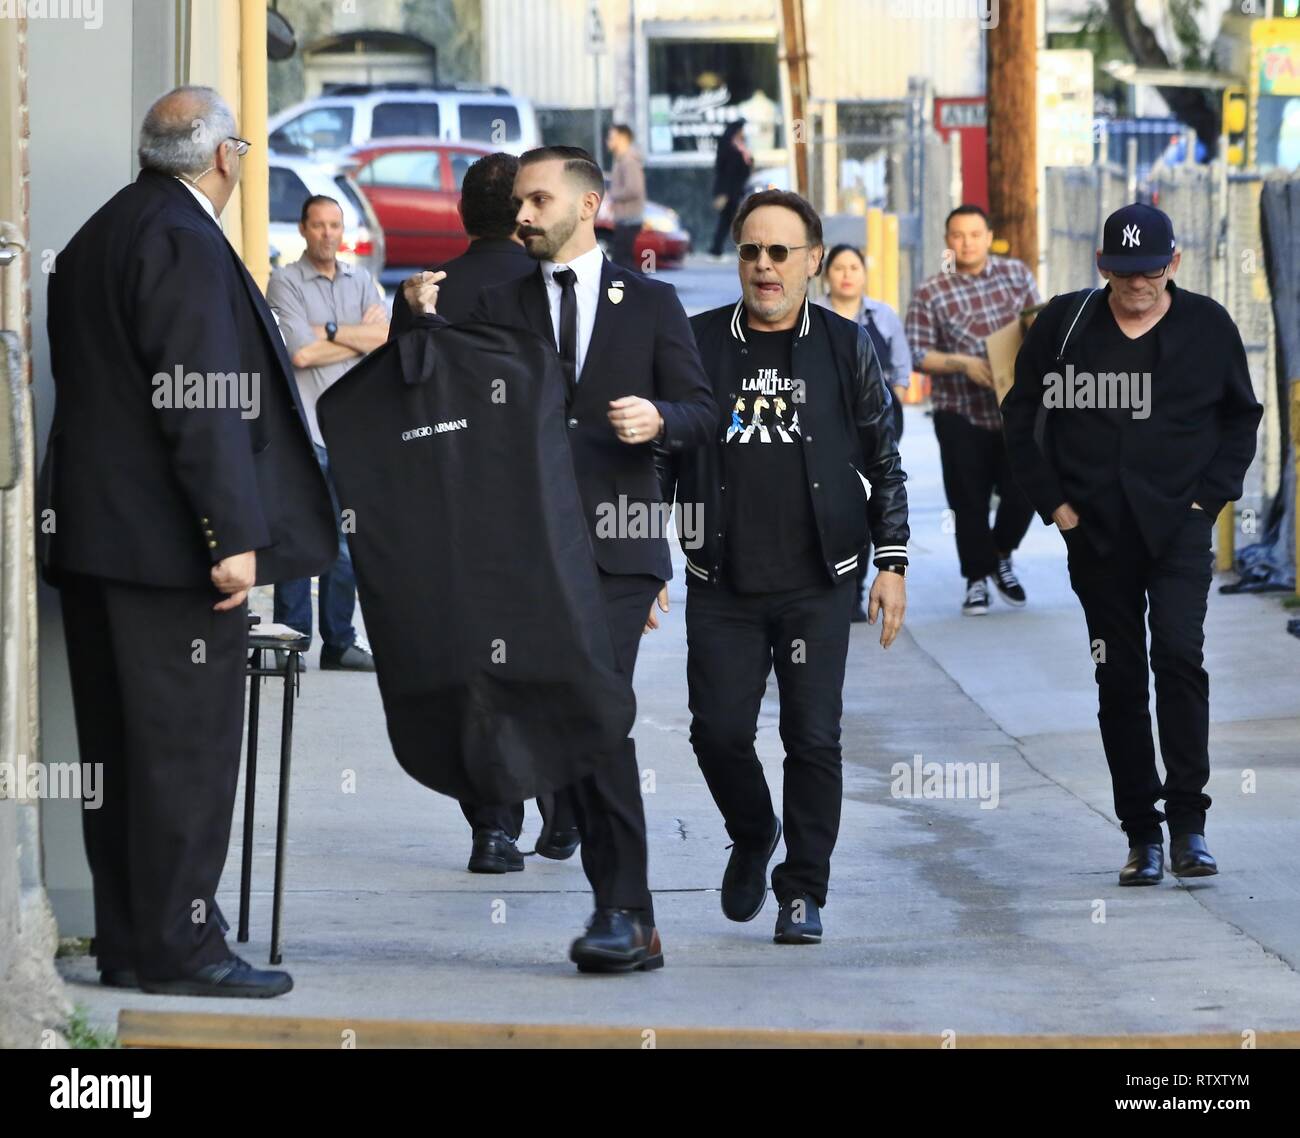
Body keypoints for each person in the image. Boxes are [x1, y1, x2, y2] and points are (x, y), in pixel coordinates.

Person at [38, 86, 336, 998]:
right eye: (240, 148)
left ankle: (131, 942)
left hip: (99, 543)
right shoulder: (181, 239)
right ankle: (184, 948)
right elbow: (199, 399)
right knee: (184, 758)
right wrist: (230, 535)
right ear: (221, 158)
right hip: (169, 554)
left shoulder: (99, 233)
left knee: (121, 756)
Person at [406, 145, 717, 973]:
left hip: (617, 550)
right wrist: (411, 321)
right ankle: (618, 899)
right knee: (561, 715)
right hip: (523, 551)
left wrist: (661, 419)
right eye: (518, 202)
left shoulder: (649, 302)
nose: (523, 215)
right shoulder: (495, 301)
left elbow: (703, 410)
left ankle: (625, 910)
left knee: (592, 705)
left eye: (538, 200)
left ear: (587, 206)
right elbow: (431, 397)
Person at [672, 190, 909, 945]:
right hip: (722, 582)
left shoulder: (845, 346)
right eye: (751, 251)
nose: (764, 266)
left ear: (813, 261)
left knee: (812, 738)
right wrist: (644, 556)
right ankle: (753, 827)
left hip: (818, 580)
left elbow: (883, 459)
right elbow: (660, 454)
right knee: (717, 732)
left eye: (780, 252)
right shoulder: (696, 341)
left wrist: (893, 561)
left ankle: (803, 889)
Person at [1002, 202, 1261, 886]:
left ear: (1173, 264)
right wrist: (1055, 506)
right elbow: (1019, 412)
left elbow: (1242, 419)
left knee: (1179, 658)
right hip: (1097, 535)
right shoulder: (1068, 322)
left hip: (1179, 527)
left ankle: (1189, 828)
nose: (1137, 285)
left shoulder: (1207, 327)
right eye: (1123, 272)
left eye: (1150, 272)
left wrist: (1208, 500)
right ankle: (1140, 834)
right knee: (1117, 676)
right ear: (1102, 267)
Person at [396, 152, 580, 875]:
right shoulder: (553, 287)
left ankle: (494, 830)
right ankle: (562, 806)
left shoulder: (428, 294)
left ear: (462, 214)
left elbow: (399, 403)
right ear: (524, 212)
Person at [267, 195, 387, 672]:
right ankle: (291, 643)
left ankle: (339, 643)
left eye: (335, 225)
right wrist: (354, 335)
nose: (327, 234)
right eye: (318, 225)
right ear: (303, 229)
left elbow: (384, 341)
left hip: (354, 433)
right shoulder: (285, 281)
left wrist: (329, 331)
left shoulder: (362, 280)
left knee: (345, 541)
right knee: (299, 536)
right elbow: (299, 353)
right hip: (307, 428)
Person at [906, 204, 1041, 615]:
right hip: (959, 409)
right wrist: (963, 363)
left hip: (1015, 408)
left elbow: (1038, 324)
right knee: (968, 499)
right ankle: (977, 579)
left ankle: (1001, 553)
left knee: (1030, 487)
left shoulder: (1017, 275)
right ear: (948, 241)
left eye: (975, 234)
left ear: (988, 236)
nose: (967, 243)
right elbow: (916, 353)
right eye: (958, 235)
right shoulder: (931, 291)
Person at [816, 243, 912, 621]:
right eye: (839, 267)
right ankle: (842, 581)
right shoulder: (813, 315)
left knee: (873, 496)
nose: (846, 274)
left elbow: (901, 366)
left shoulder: (883, 316)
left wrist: (893, 402)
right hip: (826, 426)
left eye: (853, 267)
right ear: (826, 273)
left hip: (875, 422)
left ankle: (858, 585)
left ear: (863, 273)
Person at [387, 152, 535, 338]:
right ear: (526, 214)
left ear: (461, 210)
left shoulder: (418, 292)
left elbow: (399, 363)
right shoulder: (553, 286)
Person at [709, 119, 753, 259]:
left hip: (736, 190)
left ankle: (717, 249)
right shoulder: (729, 148)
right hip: (729, 191)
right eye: (741, 130)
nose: (743, 133)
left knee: (729, 221)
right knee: (731, 221)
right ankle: (718, 250)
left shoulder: (739, 146)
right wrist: (724, 194)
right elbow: (726, 173)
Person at [605, 123, 646, 272]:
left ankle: (643, 290)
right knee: (623, 262)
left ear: (622, 138)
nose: (608, 141)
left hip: (629, 219)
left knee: (623, 262)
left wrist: (613, 196)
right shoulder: (621, 160)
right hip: (624, 218)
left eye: (611, 137)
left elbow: (634, 189)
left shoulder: (629, 161)